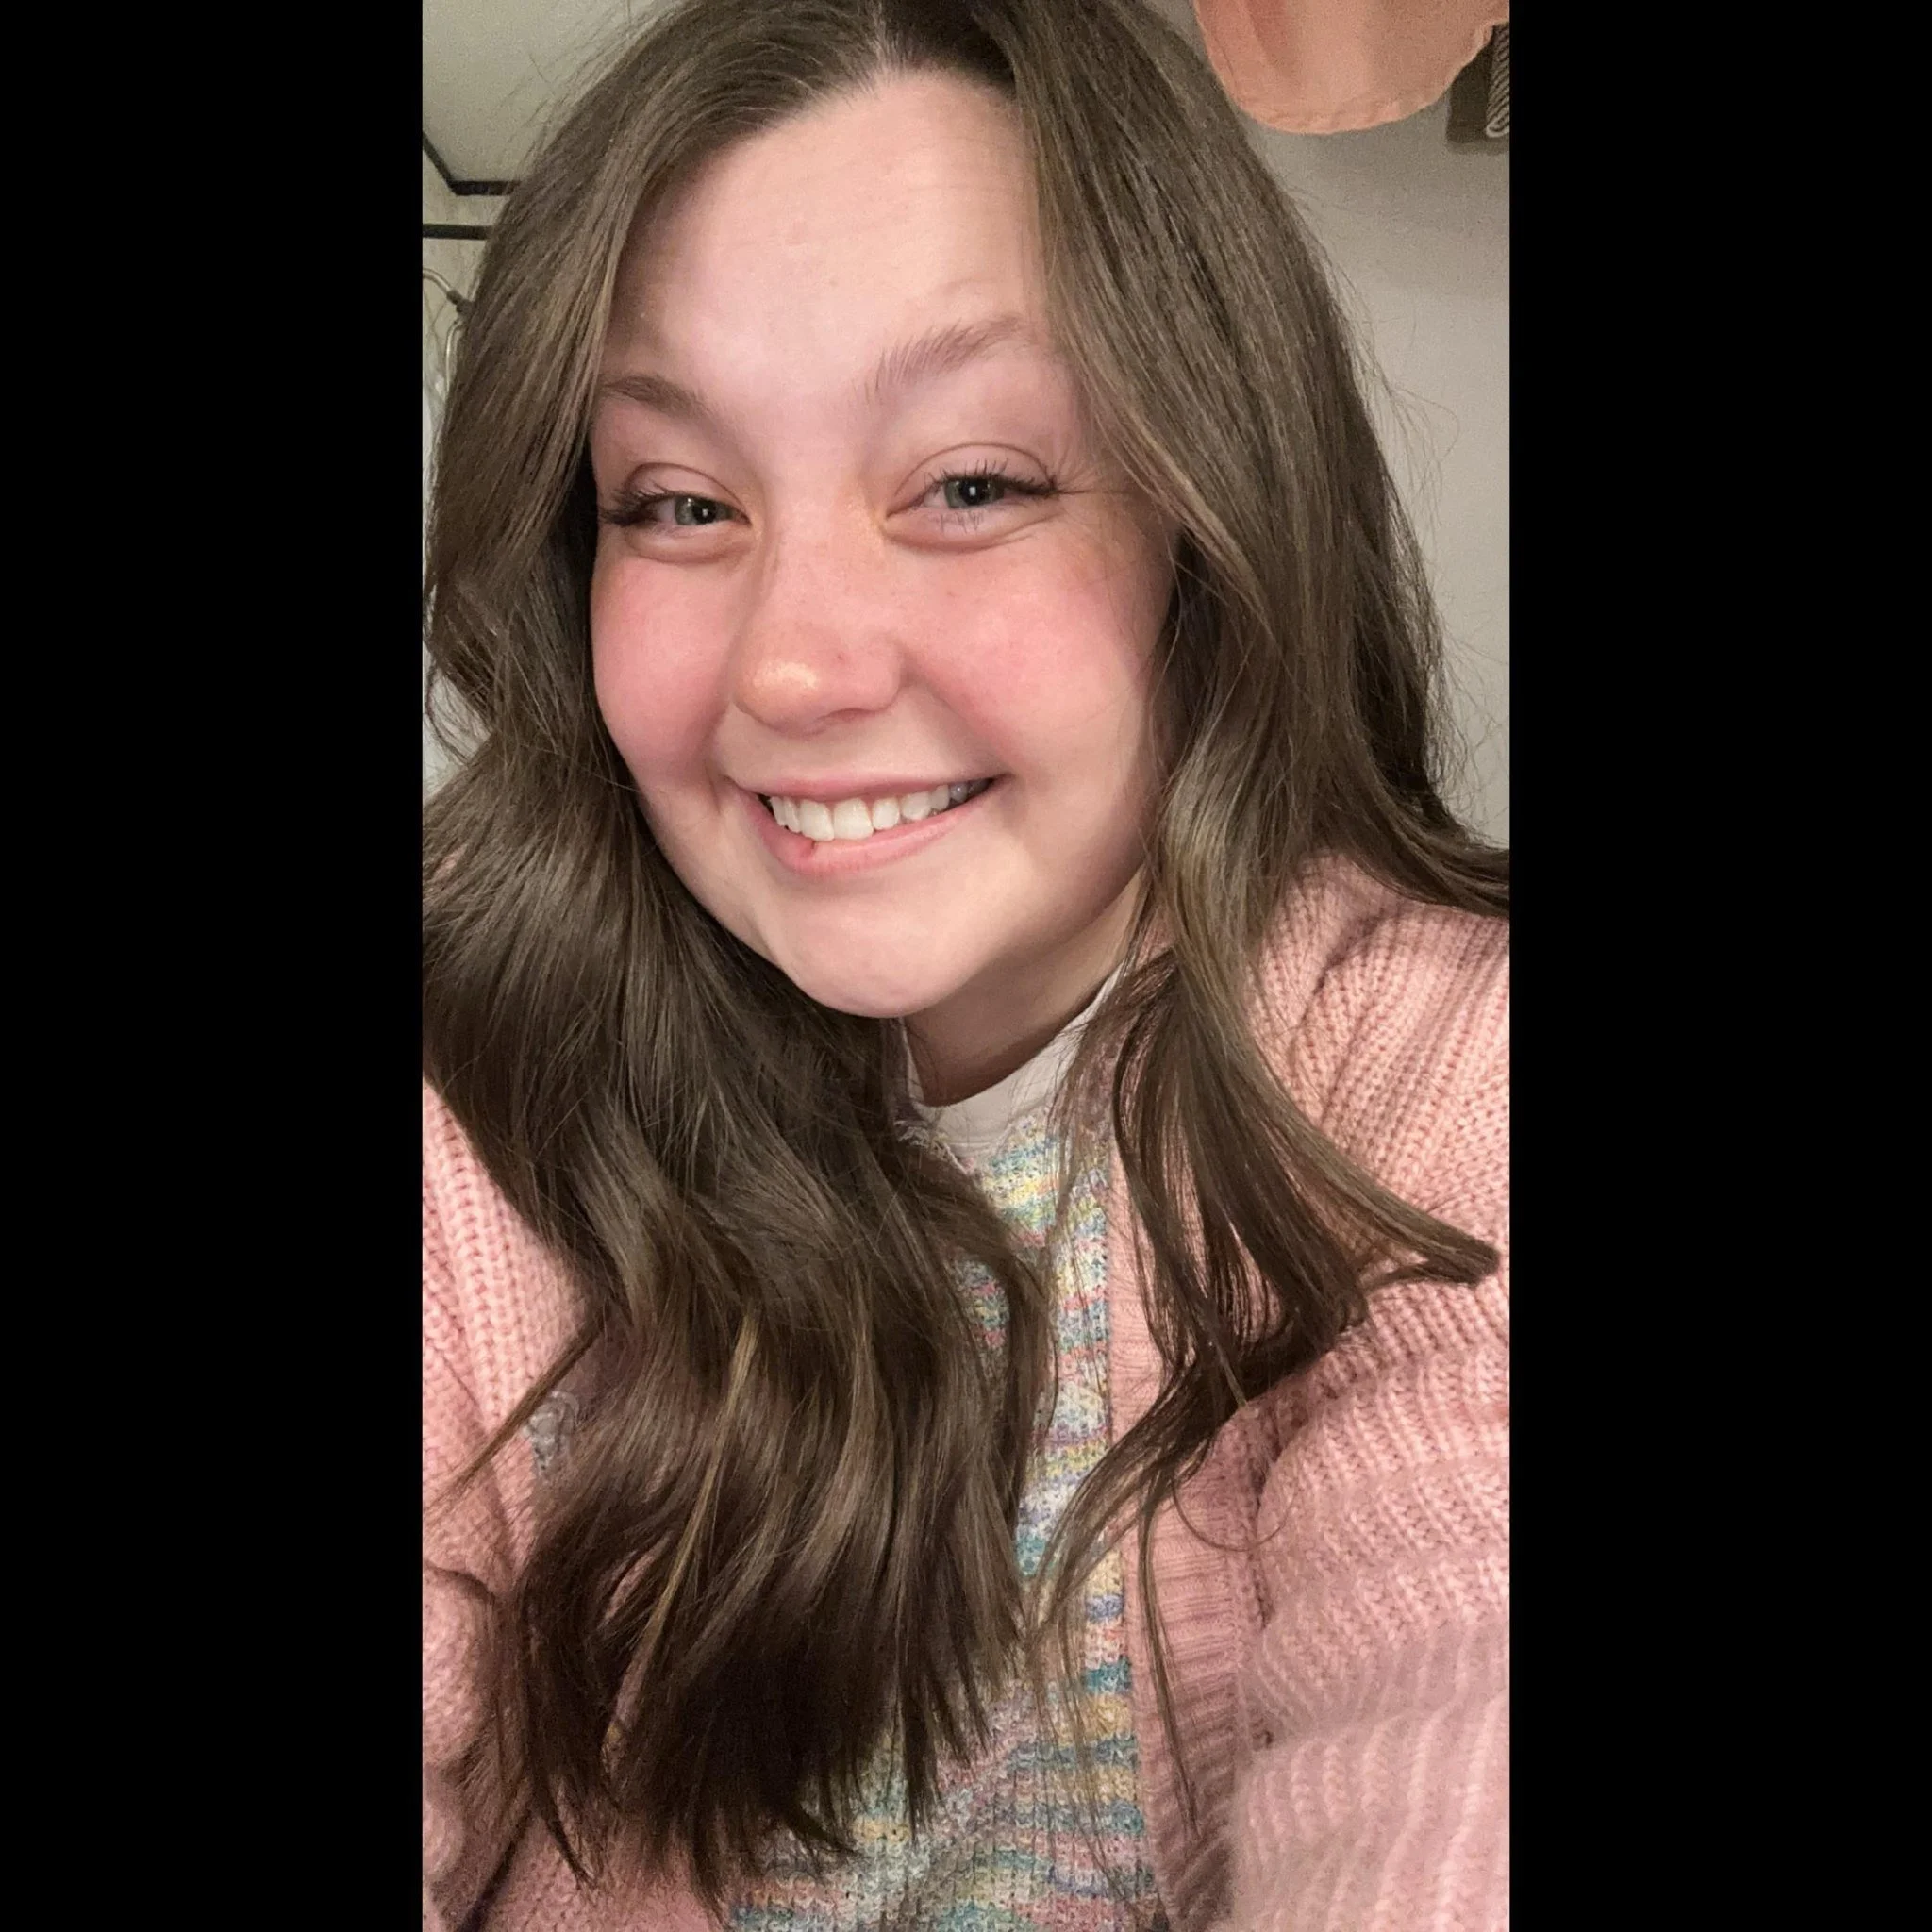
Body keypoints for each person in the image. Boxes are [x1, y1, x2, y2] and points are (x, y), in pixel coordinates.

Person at [421, 2, 1509, 1927]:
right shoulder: (477, 1095)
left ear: (1209, 524)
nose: (791, 666)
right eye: (678, 503)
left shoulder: (1432, 1078)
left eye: (972, 482)